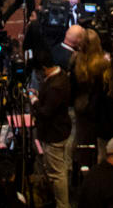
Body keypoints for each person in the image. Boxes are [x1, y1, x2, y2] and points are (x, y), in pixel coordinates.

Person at [34, 51, 74, 208]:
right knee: (60, 170)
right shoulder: (60, 76)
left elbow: (45, 112)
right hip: (59, 130)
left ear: (44, 68)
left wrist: (35, 100)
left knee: (57, 174)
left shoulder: (55, 86)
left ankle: (62, 204)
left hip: (54, 133)